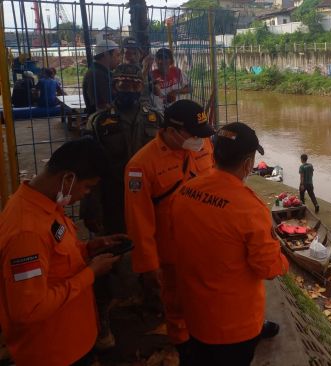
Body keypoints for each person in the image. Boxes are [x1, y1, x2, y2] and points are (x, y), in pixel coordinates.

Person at [0, 139, 128, 366]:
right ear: (68, 178)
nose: (86, 194)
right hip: (54, 352)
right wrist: (90, 274)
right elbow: (29, 309)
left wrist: (89, 248)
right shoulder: (26, 232)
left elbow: (55, 257)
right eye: (87, 187)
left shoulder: (44, 205)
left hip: (73, 338)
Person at [170, 122, 289, 366]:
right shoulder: (250, 209)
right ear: (248, 162)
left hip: (193, 310)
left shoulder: (186, 191)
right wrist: (282, 259)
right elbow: (269, 269)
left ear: (213, 153)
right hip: (234, 326)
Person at [124, 99, 215, 358]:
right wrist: (148, 265)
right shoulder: (141, 166)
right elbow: (139, 221)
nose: (200, 140)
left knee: (211, 292)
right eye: (194, 134)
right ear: (171, 131)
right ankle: (182, 343)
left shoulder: (203, 144)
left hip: (209, 241)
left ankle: (211, 331)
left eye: (202, 134)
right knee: (176, 302)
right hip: (172, 250)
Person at [81, 63, 162, 349]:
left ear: (142, 86)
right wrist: (91, 207)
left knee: (151, 251)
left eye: (134, 84)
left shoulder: (156, 118)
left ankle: (151, 300)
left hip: (149, 202)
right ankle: (103, 318)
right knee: (109, 256)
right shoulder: (98, 122)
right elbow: (88, 169)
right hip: (113, 199)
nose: (128, 89)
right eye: (122, 84)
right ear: (113, 86)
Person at [82, 39, 121, 115]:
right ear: (106, 54)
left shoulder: (100, 71)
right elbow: (104, 105)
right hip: (104, 123)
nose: (119, 59)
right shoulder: (97, 75)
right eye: (117, 55)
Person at [152, 48, 190, 112]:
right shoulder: (151, 75)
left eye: (165, 58)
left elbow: (190, 88)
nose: (161, 61)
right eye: (159, 58)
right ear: (156, 61)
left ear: (171, 61)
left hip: (176, 110)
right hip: (158, 112)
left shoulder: (177, 71)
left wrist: (176, 91)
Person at [122, 37, 154, 106]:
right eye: (128, 53)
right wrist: (145, 69)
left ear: (141, 54)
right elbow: (133, 90)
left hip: (146, 108)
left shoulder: (143, 68)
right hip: (129, 109)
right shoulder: (119, 70)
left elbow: (153, 89)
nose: (132, 57)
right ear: (123, 54)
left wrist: (155, 85)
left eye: (135, 53)